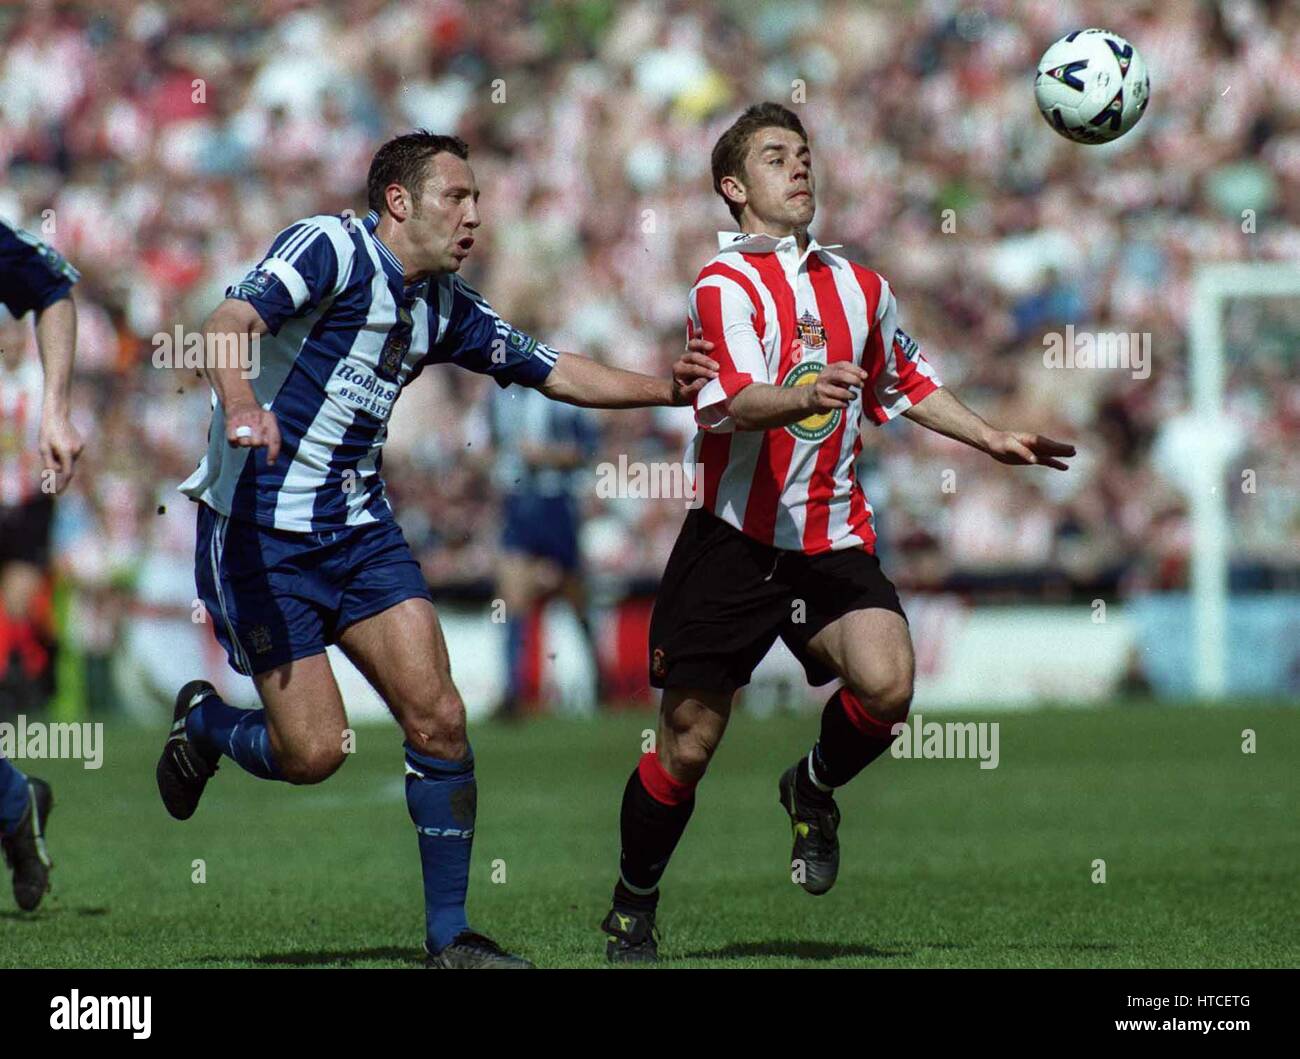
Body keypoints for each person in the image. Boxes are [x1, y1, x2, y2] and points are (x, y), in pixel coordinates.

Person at [159, 131, 715, 968]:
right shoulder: (332, 248)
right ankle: (205, 724)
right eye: (457, 197)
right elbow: (227, 319)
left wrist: (662, 390)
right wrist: (241, 401)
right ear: (399, 201)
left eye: (478, 200)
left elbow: (552, 368)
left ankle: (449, 937)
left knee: (441, 717)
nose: (474, 215)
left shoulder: (444, 304)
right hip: (258, 535)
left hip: (360, 532)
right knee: (312, 752)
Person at [599, 103, 1075, 961]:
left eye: (807, 153)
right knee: (689, 743)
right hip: (732, 543)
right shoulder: (721, 285)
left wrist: (992, 435)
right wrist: (807, 393)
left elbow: (910, 380)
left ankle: (810, 787)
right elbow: (731, 404)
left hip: (830, 539)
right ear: (734, 188)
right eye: (777, 156)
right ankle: (633, 901)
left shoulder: (862, 285)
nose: (801, 167)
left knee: (890, 687)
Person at [0, 217, 84, 910]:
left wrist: (55, 410)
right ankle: (14, 799)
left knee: (19, 606)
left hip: (20, 508)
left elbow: (53, 284)